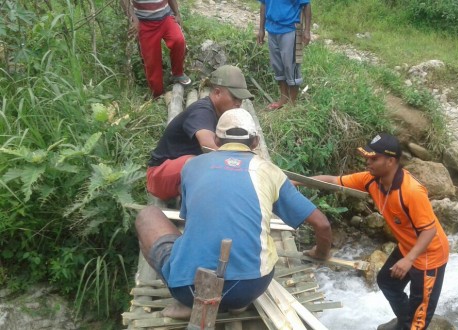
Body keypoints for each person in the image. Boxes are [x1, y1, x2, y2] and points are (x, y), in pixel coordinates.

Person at [136, 108, 332, 319]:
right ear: (255, 142)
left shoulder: (191, 166)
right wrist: (319, 254)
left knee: (148, 216)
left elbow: (189, 219)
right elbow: (322, 225)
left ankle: (188, 302)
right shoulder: (270, 171)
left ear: (217, 141)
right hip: (249, 288)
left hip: (189, 289)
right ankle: (234, 304)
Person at [311, 133, 449, 330]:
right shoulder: (371, 180)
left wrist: (409, 259)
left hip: (429, 256)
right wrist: (297, 181)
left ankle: (412, 324)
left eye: (374, 159)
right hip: (409, 245)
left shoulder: (411, 191)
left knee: (419, 322)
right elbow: (334, 181)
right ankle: (405, 322)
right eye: (367, 158)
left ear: (391, 161)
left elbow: (429, 231)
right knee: (387, 282)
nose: (368, 162)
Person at [146, 65, 254, 201]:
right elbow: (209, 147)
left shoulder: (224, 115)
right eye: (235, 98)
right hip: (159, 176)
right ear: (217, 92)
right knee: (203, 162)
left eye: (241, 99)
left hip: (180, 174)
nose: (239, 103)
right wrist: (250, 167)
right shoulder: (202, 111)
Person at [123, 0, 191, 98]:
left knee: (178, 41)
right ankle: (157, 93)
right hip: (145, 24)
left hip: (166, 18)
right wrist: (135, 19)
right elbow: (125, 3)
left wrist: (177, 14)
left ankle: (177, 74)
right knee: (152, 60)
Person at [257, 0, 311, 110]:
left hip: (292, 29)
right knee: (278, 66)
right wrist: (261, 29)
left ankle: (292, 102)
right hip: (272, 30)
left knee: (292, 66)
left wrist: (307, 30)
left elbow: (306, 4)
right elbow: (263, 5)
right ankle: (283, 98)